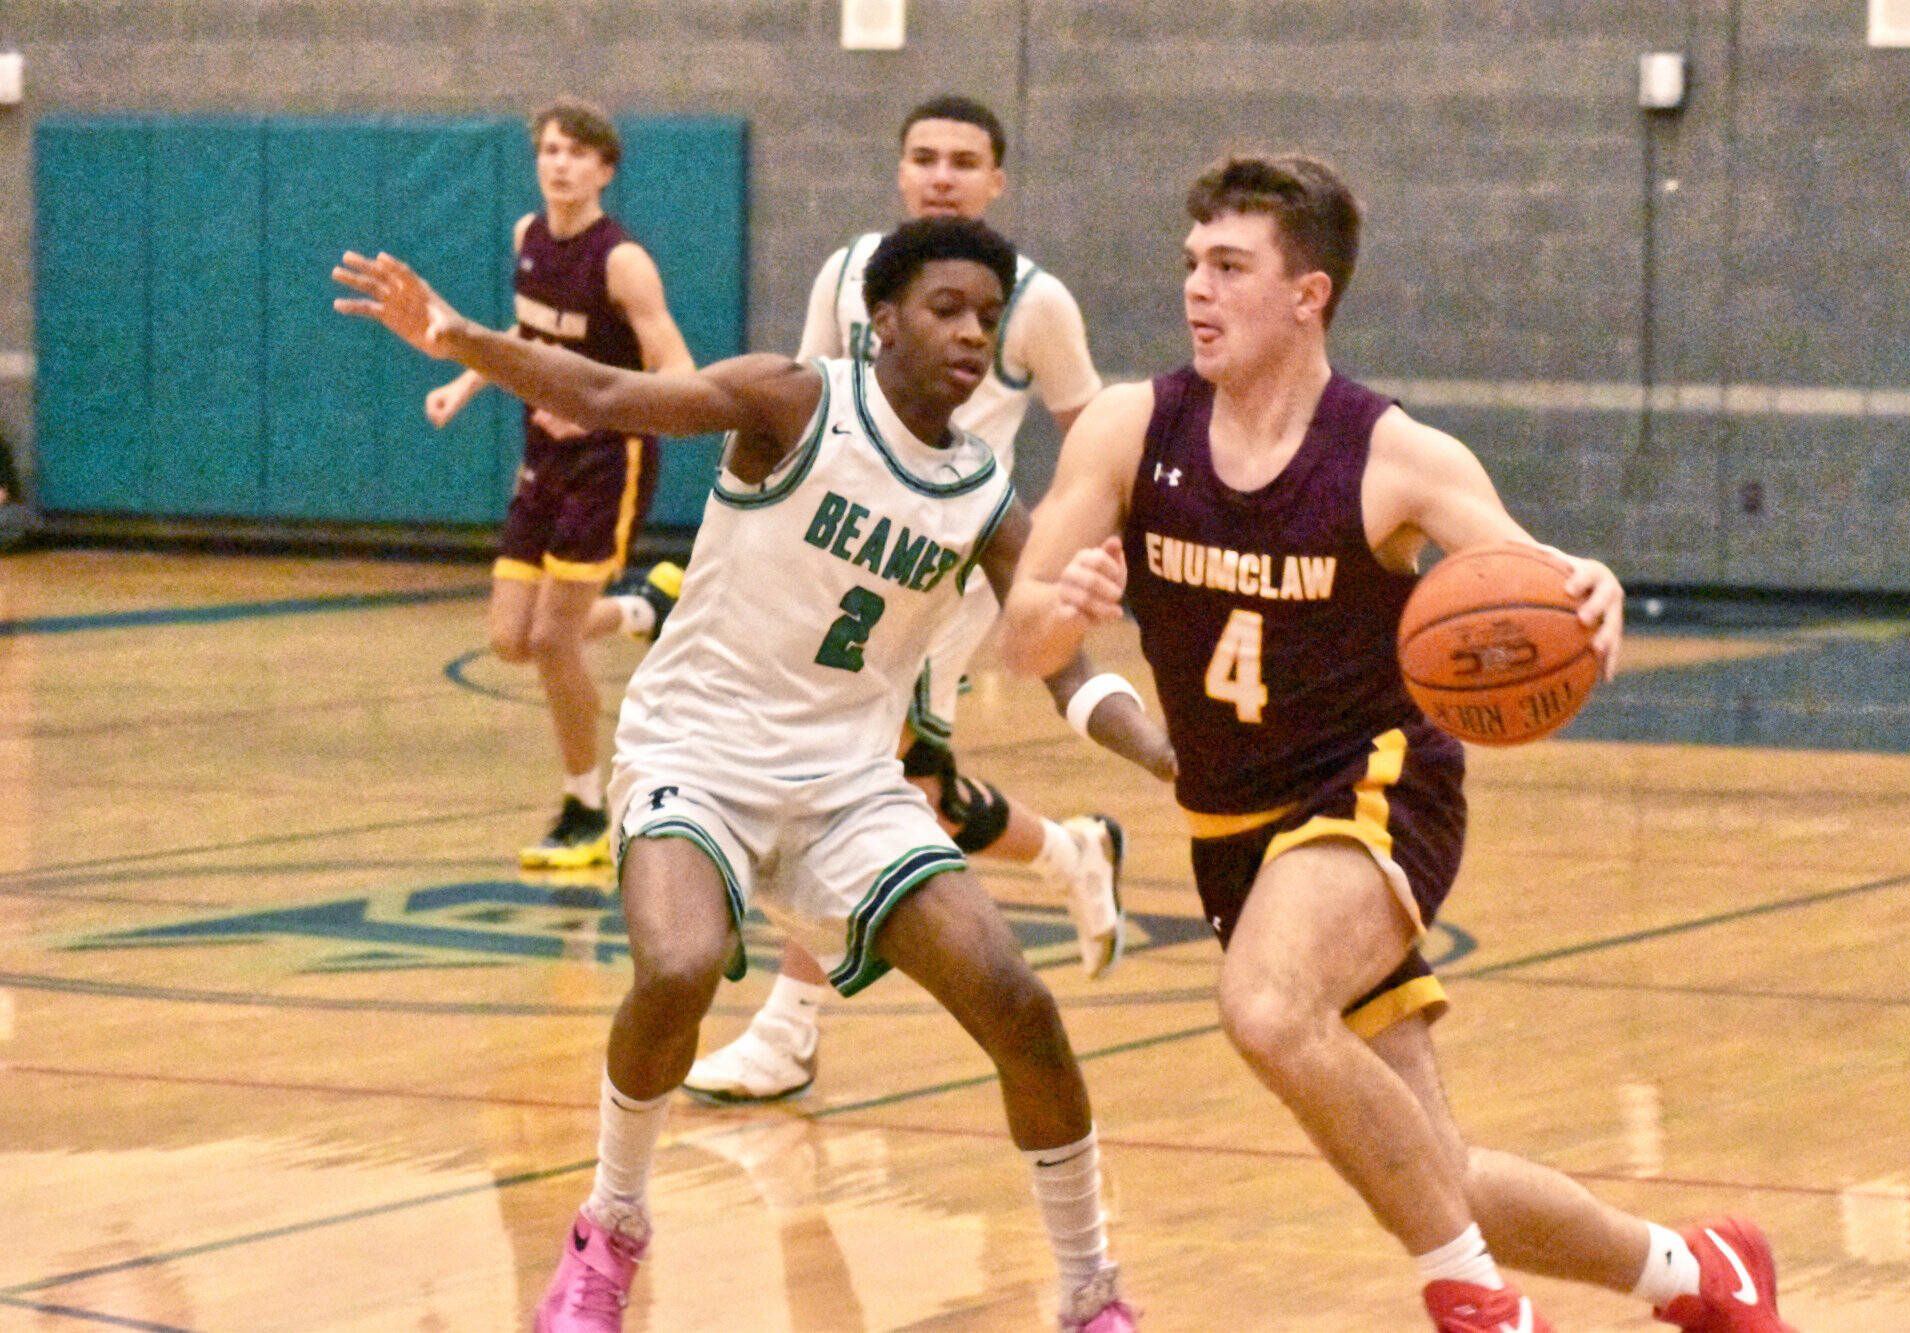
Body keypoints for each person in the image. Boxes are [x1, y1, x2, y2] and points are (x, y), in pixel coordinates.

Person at [999, 153, 1798, 1333]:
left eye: (1229, 266)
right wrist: (1062, 606)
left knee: (1266, 1008)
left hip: (1369, 789)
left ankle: (1475, 1303)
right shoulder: (1129, 429)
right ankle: (1697, 1271)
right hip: (1229, 827)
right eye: (1191, 263)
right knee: (1432, 1173)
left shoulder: (1392, 456)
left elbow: (1534, 582)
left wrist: (1587, 584)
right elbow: (1020, 639)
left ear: (1306, 293)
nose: (1196, 289)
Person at [334, 216, 1139, 1333]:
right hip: (697, 751)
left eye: (988, 319)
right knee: (678, 965)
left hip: (846, 787)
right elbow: (607, 393)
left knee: (1019, 1001)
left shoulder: (983, 496)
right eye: (947, 308)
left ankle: (1091, 1293)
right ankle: (609, 1230)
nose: (972, 334)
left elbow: (1067, 672)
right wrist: (460, 336)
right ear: (884, 318)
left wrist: (1168, 753)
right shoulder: (793, 401)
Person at [681, 93, 1164, 1105]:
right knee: (908, 787)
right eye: (925, 157)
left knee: (845, 776)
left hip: (942, 572)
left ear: (997, 181)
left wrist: (1062, 559)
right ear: (900, 171)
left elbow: (1094, 441)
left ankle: (787, 1028)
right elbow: (810, 393)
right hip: (834, 555)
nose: (942, 174)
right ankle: (1067, 849)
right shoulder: (847, 274)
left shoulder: (1037, 302)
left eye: (964, 160)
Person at [423, 95, 695, 871]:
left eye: (577, 153)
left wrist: (598, 411)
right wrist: (466, 381)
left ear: (605, 170)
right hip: (542, 456)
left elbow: (678, 371)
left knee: (552, 640)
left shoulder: (622, 261)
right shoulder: (528, 236)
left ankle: (586, 808)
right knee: (510, 638)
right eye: (549, 150)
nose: (560, 164)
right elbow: (529, 335)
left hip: (609, 462)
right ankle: (646, 607)